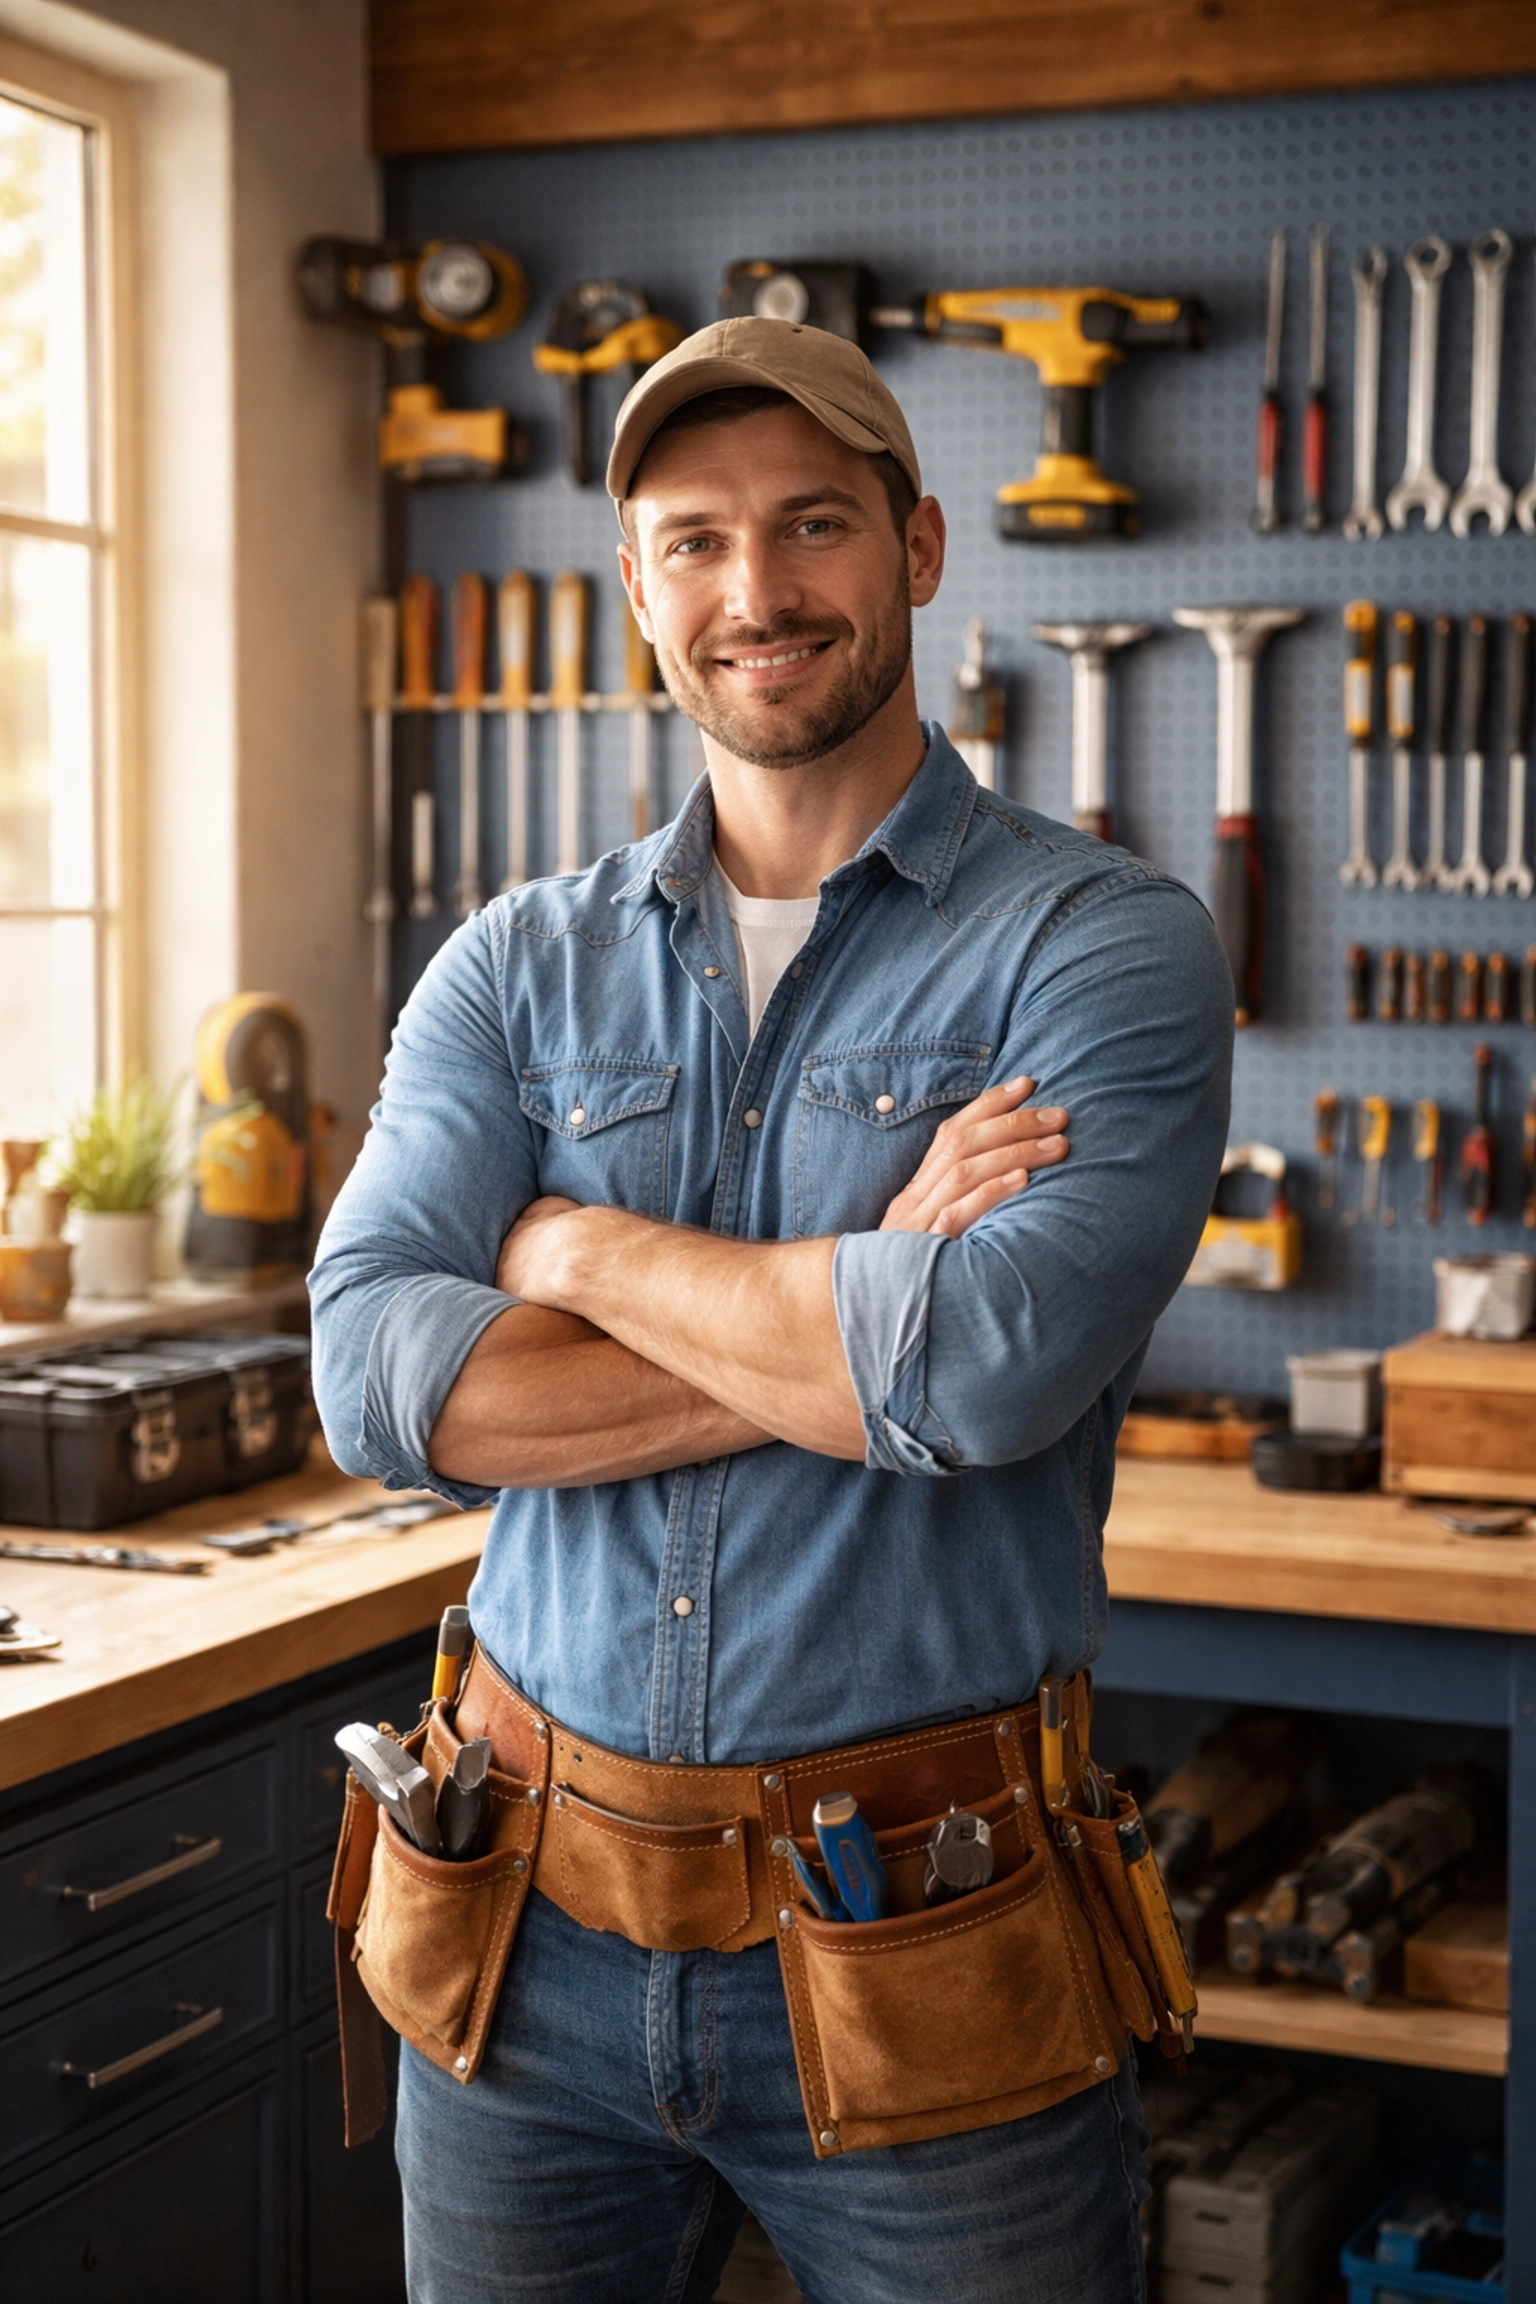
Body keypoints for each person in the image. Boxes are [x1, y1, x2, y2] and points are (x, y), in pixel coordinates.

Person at [311, 316, 1233, 2304]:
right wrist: (847, 1306)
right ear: (635, 583)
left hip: (932, 1938)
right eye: (697, 539)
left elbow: (978, 1372)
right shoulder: (515, 968)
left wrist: (561, 1250)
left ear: (915, 546)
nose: (758, 590)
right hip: (521, 1940)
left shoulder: (1102, 946)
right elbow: (378, 1384)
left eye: (811, 525)